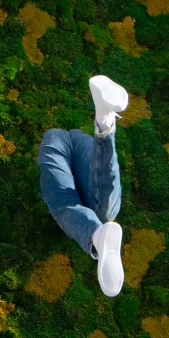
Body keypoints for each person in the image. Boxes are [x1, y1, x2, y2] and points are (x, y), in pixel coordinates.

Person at [37, 75, 129, 296]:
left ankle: (98, 235)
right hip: (76, 142)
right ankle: (105, 121)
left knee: (68, 204)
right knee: (101, 208)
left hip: (60, 141)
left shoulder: (55, 136)